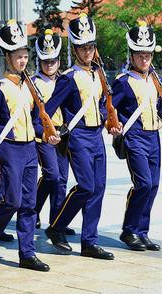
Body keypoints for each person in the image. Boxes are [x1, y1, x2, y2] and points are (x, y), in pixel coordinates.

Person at [0, 19, 54, 272]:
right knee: (11, 200)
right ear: (7, 57)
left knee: (29, 203)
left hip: (29, 148)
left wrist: (48, 134)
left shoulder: (30, 87)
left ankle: (27, 252)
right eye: (17, 56)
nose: (22, 61)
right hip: (9, 149)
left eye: (25, 56)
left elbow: (35, 121)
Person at [44, 13, 116, 260]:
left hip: (96, 135)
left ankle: (89, 241)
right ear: (75, 49)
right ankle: (56, 226)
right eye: (83, 48)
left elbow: (104, 104)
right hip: (78, 136)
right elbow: (48, 108)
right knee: (85, 186)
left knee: (98, 188)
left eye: (91, 47)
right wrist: (46, 130)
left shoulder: (98, 74)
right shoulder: (68, 77)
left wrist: (109, 119)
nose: (88, 52)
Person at [112, 21, 161, 251]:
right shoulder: (123, 82)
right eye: (140, 55)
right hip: (135, 137)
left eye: (148, 55)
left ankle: (142, 232)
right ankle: (129, 230)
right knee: (143, 183)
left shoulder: (155, 80)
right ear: (131, 56)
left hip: (154, 137)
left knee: (153, 186)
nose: (144, 59)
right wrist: (113, 122)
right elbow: (109, 108)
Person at [31, 29, 76, 236]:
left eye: (53, 61)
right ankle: (34, 209)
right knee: (52, 175)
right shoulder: (33, 83)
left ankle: (57, 220)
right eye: (45, 61)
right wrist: (42, 133)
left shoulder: (65, 81)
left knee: (62, 180)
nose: (49, 65)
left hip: (62, 133)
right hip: (42, 134)